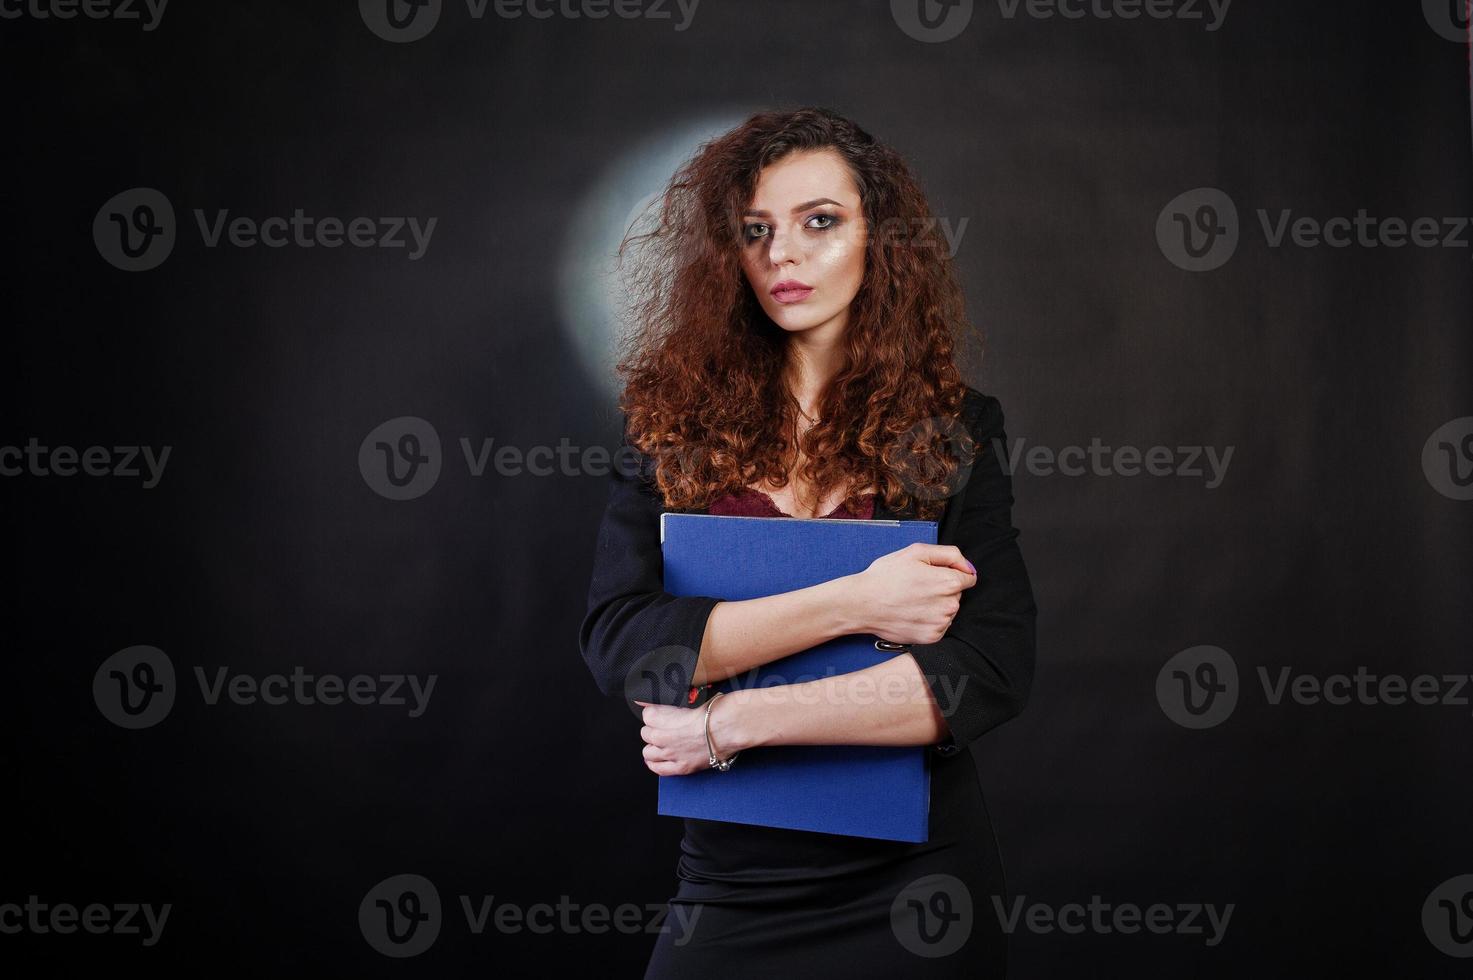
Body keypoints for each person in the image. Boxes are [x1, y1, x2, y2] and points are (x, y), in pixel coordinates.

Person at [578, 106, 1037, 978]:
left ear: (881, 241)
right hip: (731, 883)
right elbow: (626, 648)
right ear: (728, 257)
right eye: (755, 231)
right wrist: (858, 602)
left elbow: (987, 669)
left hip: (917, 885)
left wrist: (732, 721)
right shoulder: (670, 430)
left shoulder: (955, 431)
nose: (782, 254)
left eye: (819, 222)